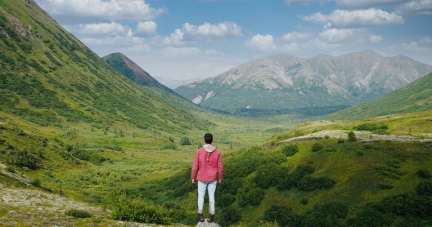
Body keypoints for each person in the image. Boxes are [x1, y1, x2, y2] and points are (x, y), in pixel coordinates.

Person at [191, 133, 224, 223]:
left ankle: (200, 215)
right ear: (212, 140)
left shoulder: (199, 151)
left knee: (201, 196)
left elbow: (195, 166)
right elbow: (220, 167)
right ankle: (211, 216)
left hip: (201, 177)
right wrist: (220, 177)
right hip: (213, 178)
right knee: (211, 197)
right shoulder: (217, 152)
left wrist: (193, 177)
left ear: (204, 140)